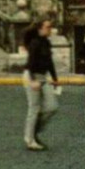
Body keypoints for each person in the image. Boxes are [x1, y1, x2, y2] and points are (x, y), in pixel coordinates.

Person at [22, 17, 60, 151]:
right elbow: (30, 63)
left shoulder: (46, 43)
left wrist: (55, 78)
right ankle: (29, 139)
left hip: (43, 76)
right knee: (34, 107)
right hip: (32, 76)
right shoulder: (35, 43)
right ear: (40, 29)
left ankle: (34, 130)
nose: (50, 30)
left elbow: (50, 62)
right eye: (47, 27)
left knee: (52, 106)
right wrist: (32, 80)